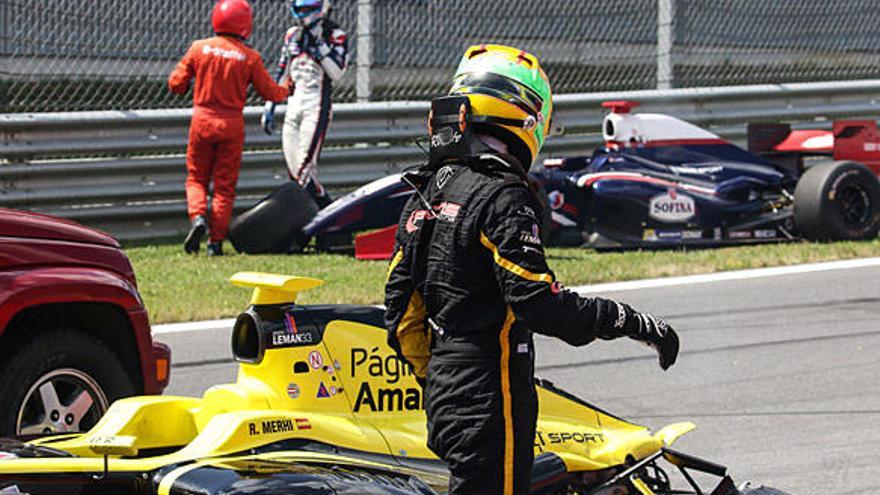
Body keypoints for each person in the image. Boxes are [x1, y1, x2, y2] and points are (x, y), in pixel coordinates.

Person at [384, 45, 680, 495]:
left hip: (446, 391)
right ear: (525, 114)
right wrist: (628, 320)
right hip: (490, 390)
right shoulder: (503, 195)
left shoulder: (424, 192)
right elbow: (538, 303)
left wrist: (441, 374)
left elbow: (402, 314)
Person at [169, 0, 288, 256]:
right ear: (246, 24)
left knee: (196, 178)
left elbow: (175, 83)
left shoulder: (198, 48)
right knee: (224, 186)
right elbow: (271, 92)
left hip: (202, 120)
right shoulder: (250, 57)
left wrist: (191, 83)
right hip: (232, 124)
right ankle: (215, 242)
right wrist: (289, 86)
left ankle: (198, 216)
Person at [260, 0, 348, 208]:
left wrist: (320, 48)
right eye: (300, 9)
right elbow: (283, 70)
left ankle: (319, 223)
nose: (303, 14)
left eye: (308, 9)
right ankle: (326, 221)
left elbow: (338, 72)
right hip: (293, 105)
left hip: (316, 106)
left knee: (304, 169)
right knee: (295, 173)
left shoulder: (335, 34)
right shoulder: (292, 34)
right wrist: (270, 105)